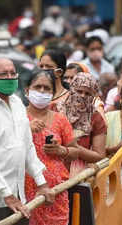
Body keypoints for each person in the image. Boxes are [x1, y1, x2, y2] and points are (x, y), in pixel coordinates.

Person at [0, 58, 55, 225]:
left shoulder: (17, 103)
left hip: (18, 197)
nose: (10, 77)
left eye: (13, 73)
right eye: (4, 74)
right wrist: (7, 194)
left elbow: (27, 147)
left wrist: (41, 183)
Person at [24, 70, 78, 225]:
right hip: (24, 190)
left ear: (53, 93)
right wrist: (25, 128)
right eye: (37, 87)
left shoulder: (60, 120)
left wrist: (61, 150)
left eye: (47, 88)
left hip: (56, 191)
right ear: (27, 90)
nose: (42, 91)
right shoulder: (18, 117)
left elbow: (75, 152)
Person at [52, 72, 107, 177]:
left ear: (93, 95)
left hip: (78, 173)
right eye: (79, 91)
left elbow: (100, 156)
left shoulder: (96, 118)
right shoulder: (54, 109)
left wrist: (75, 147)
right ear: (72, 89)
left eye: (87, 93)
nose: (82, 96)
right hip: (52, 165)